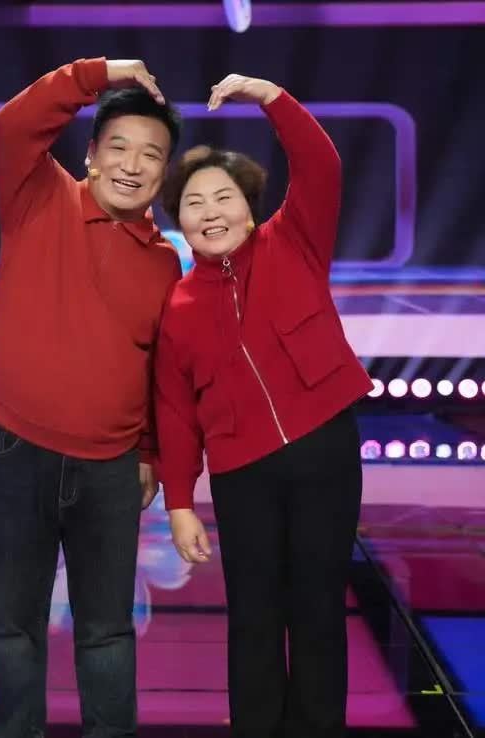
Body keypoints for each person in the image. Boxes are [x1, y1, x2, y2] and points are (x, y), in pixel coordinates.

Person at [155, 73, 373, 738]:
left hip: (323, 450)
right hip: (241, 470)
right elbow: (174, 412)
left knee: (317, 608)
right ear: (180, 222)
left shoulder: (294, 241)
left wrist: (270, 97)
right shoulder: (178, 308)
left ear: (250, 210)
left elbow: (320, 164)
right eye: (194, 202)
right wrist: (179, 503)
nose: (211, 211)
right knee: (253, 614)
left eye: (224, 196)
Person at [0, 57, 182, 738]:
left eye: (151, 155)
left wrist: (150, 453)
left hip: (112, 467)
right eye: (119, 147)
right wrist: (99, 73)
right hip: (18, 447)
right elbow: (14, 124)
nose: (133, 164)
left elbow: (159, 370)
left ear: (164, 173)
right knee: (14, 623)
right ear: (91, 154)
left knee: (106, 631)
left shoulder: (164, 262)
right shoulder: (38, 195)